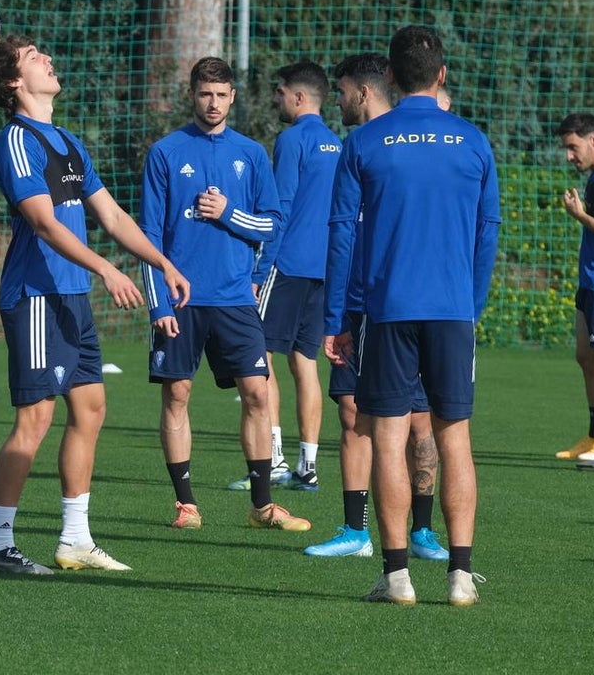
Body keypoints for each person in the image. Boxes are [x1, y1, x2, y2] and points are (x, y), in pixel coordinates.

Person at [0, 34, 190, 575]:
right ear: (12, 82)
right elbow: (44, 223)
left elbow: (113, 217)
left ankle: (75, 539)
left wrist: (162, 264)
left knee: (91, 409)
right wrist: (105, 267)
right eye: (32, 58)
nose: (48, 58)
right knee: (35, 419)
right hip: (37, 298)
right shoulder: (18, 140)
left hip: (71, 296)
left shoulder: (67, 141)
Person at [324, 25, 500, 607]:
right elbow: (486, 231)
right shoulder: (473, 141)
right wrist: (469, 303)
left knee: (390, 438)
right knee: (455, 440)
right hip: (451, 313)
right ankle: (458, 577)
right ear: (443, 75)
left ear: (391, 78)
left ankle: (396, 577)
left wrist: (339, 318)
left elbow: (343, 234)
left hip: (388, 312)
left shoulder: (365, 143)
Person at [142, 56, 310, 533]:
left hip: (236, 298)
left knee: (258, 392)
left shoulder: (252, 154)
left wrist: (228, 214)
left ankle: (263, 506)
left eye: (221, 95)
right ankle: (186, 505)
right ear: (192, 96)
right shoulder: (166, 153)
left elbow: (272, 225)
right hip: (180, 300)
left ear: (233, 97)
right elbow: (149, 236)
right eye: (204, 94)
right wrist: (157, 303)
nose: (213, 103)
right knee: (177, 393)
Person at [305, 53, 447, 561]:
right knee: (351, 415)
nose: (337, 100)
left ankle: (423, 531)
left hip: (400, 305)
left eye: (341, 91)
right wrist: (337, 312)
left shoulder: (408, 142)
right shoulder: (355, 147)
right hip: (356, 305)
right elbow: (341, 233)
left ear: (363, 92)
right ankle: (354, 530)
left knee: (417, 420)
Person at [241, 60, 340, 494]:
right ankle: (309, 465)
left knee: (259, 358)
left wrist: (259, 272)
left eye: (280, 92)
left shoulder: (292, 139)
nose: (276, 100)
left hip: (287, 266)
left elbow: (278, 210)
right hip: (324, 269)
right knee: (306, 364)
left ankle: (274, 459)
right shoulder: (338, 143)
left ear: (299, 97)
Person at [556, 113, 594, 468]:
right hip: (589, 282)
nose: (570, 156)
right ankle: (593, 433)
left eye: (573, 147)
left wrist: (580, 215)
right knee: (585, 356)